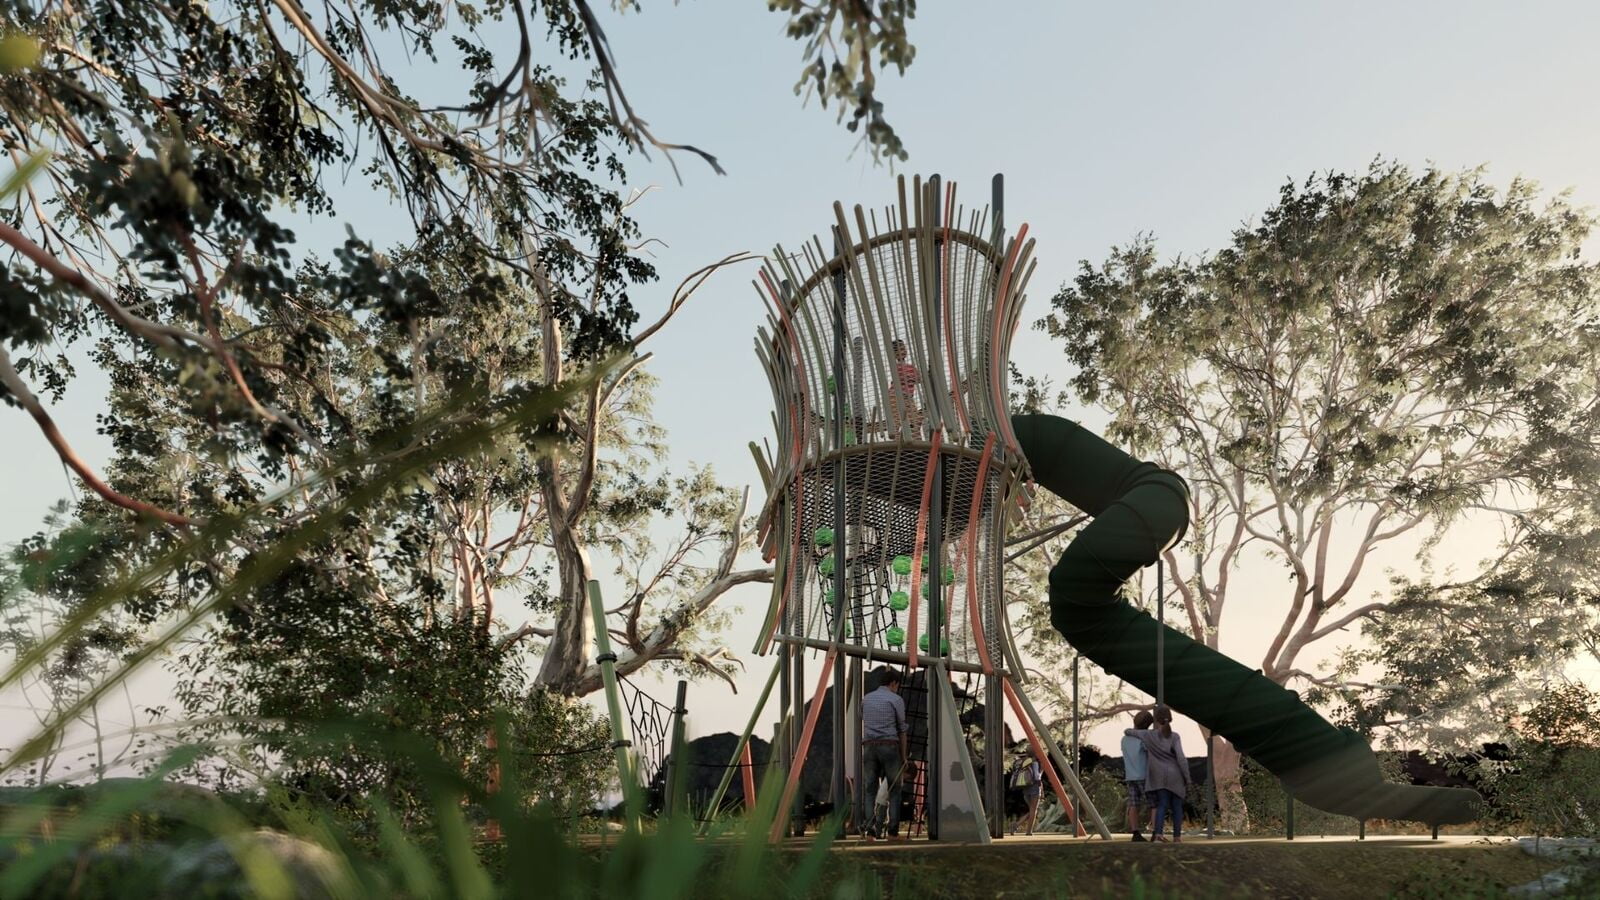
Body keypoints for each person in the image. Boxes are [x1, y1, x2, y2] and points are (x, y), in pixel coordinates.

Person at [1124, 705, 1191, 842]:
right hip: (1161, 776)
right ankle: (1167, 835)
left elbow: (1128, 732)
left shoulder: (1137, 737)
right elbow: (1180, 758)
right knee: (1164, 805)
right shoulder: (1169, 737)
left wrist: (1128, 730)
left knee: (1146, 804)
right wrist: (1187, 777)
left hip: (1143, 776)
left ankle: (1146, 834)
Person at [859, 666, 909, 840]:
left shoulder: (866, 699)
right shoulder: (895, 700)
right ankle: (893, 832)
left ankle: (870, 831)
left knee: (870, 790)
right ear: (893, 683)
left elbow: (862, 718)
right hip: (889, 745)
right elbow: (902, 729)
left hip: (869, 746)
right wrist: (903, 756)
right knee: (895, 789)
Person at [1121, 709, 1155, 841]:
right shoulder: (1144, 738)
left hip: (1130, 775)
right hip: (1144, 776)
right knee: (1154, 804)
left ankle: (1135, 832)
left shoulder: (1125, 739)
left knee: (1133, 804)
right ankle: (1155, 832)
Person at [888, 339, 922, 431]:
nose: (903, 351)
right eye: (900, 349)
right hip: (895, 395)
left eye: (904, 348)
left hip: (907, 397)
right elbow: (903, 376)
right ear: (894, 354)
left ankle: (909, 432)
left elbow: (919, 379)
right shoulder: (896, 366)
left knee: (915, 420)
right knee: (897, 419)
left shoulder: (911, 367)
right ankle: (896, 437)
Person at [1011, 752, 1044, 835]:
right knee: (1033, 810)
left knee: (1032, 810)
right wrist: (1042, 771)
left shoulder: (1025, 762)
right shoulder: (1035, 763)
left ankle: (1017, 825)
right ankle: (1027, 831)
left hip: (1026, 788)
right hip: (1034, 788)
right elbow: (1037, 777)